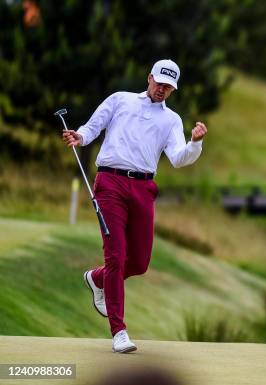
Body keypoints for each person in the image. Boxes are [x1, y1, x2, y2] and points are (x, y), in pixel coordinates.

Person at [62, 59, 208, 353]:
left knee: (139, 262)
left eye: (169, 87)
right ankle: (119, 331)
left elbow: (179, 158)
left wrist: (194, 144)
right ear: (149, 77)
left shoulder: (172, 120)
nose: (163, 90)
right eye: (160, 83)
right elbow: (92, 127)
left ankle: (96, 278)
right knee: (116, 255)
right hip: (110, 183)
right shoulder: (120, 100)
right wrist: (80, 136)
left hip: (143, 188)